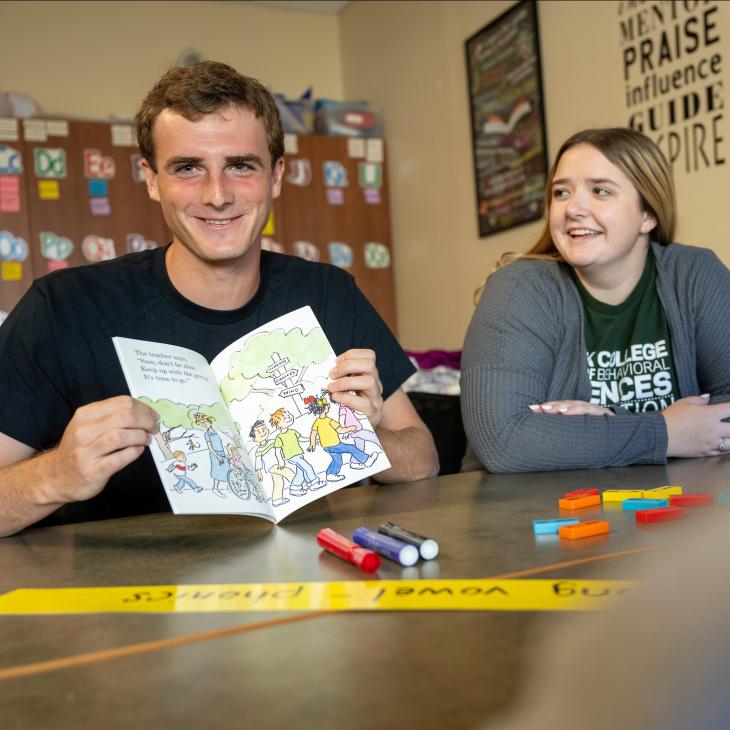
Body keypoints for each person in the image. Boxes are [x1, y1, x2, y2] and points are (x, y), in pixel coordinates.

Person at [0, 61, 438, 535]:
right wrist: (57, 475)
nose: (216, 195)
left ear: (275, 177)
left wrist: (367, 432)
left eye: (240, 166)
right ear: (151, 179)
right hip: (130, 600)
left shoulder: (327, 292)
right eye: (188, 167)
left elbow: (422, 461)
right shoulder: (65, 307)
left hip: (303, 586)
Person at [461, 127, 730, 474]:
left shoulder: (695, 274)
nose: (574, 208)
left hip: (674, 511)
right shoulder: (518, 288)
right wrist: (665, 431)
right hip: (532, 514)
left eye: (600, 191)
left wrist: (612, 422)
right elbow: (502, 440)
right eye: (561, 192)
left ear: (647, 214)